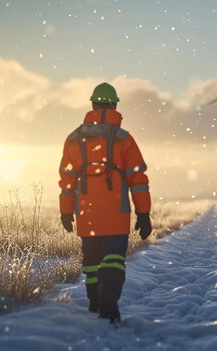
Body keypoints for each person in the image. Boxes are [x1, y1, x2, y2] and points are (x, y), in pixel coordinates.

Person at [58, 82, 152, 323]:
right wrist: (143, 213)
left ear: (92, 104)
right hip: (116, 212)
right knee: (113, 260)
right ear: (114, 105)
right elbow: (138, 179)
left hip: (86, 214)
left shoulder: (74, 138)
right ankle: (108, 300)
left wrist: (66, 211)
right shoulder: (124, 138)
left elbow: (67, 179)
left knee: (91, 263)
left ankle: (94, 303)